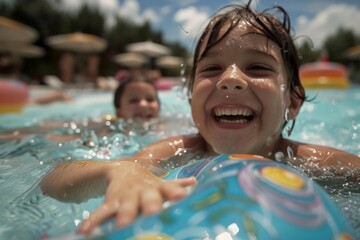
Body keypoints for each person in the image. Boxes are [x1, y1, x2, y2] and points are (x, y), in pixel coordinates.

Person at [39, 0, 360, 235]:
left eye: (258, 67)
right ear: (192, 98)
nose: (230, 79)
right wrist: (120, 171)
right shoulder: (180, 149)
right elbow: (52, 181)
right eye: (211, 69)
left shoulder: (307, 160)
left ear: (292, 103)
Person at [0, 74, 161, 141]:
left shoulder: (163, 126)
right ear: (119, 110)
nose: (143, 104)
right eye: (134, 100)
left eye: (150, 99)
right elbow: (59, 130)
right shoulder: (109, 124)